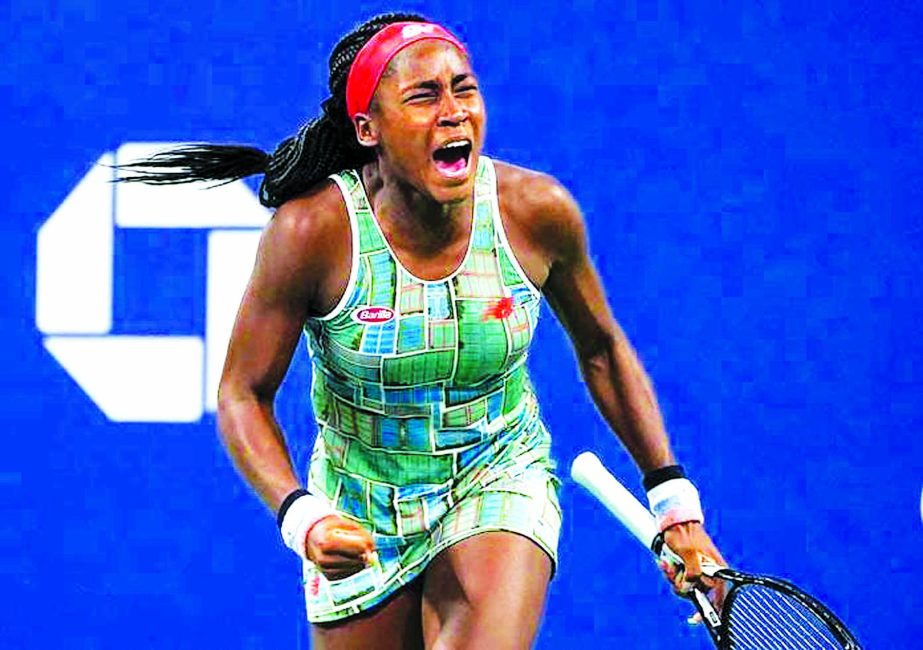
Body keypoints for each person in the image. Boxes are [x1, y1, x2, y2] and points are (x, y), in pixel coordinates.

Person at [118, 12, 726, 649]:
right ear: (367, 129)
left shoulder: (536, 212)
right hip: (359, 506)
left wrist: (672, 499)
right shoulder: (312, 234)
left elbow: (602, 350)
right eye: (424, 96)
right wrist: (302, 516)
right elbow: (242, 394)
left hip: (498, 473)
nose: (455, 112)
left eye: (464, 88)